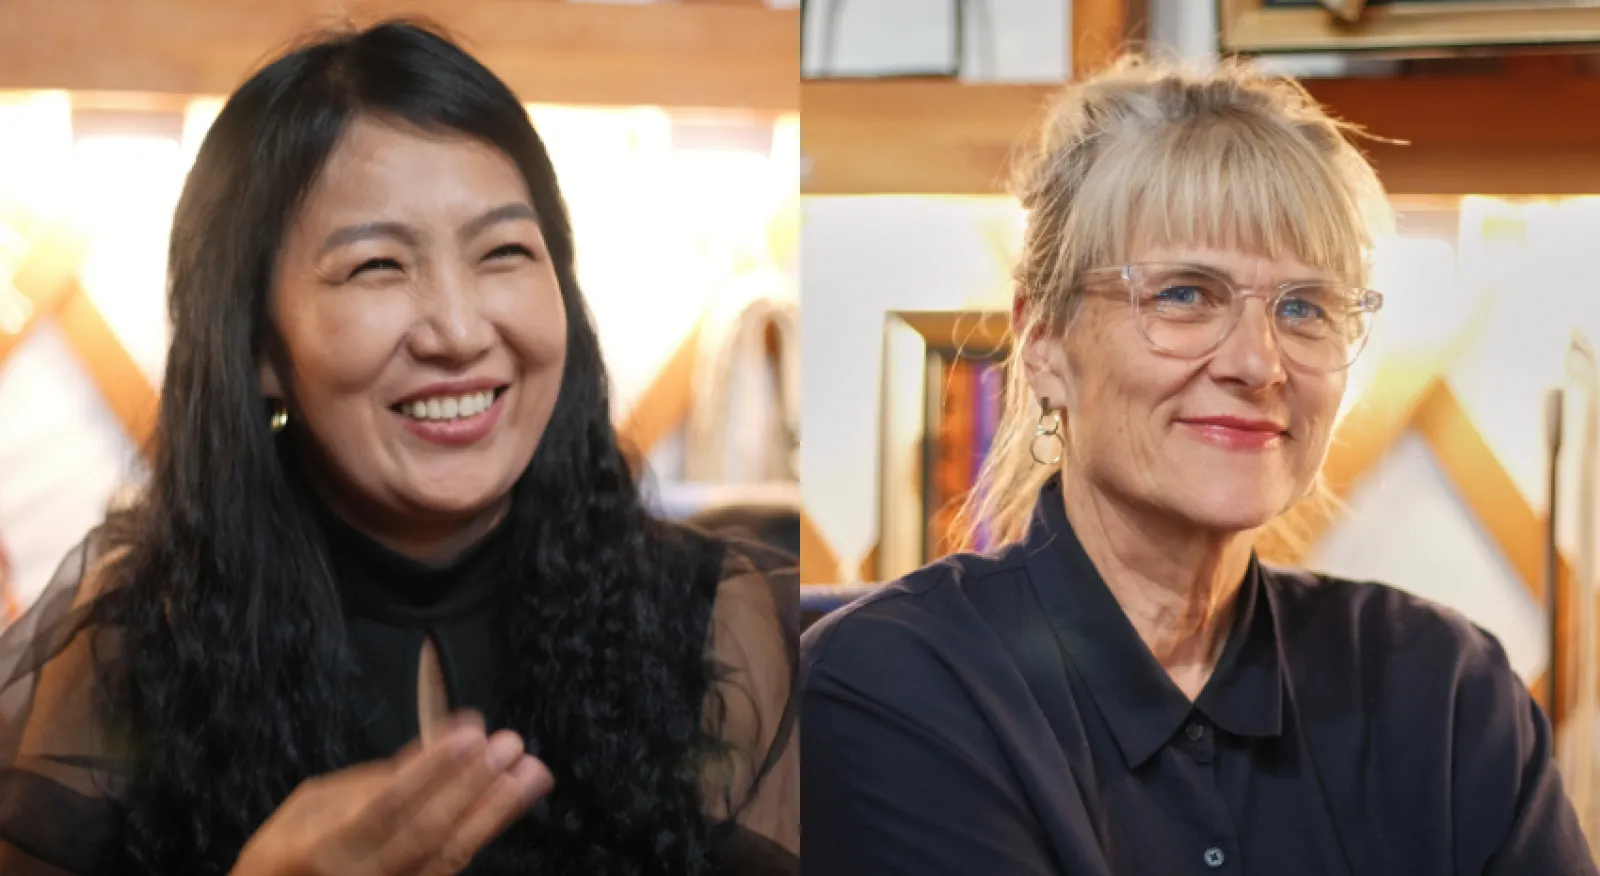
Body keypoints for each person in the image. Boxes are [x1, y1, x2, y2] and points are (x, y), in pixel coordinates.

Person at [0, 21, 796, 876]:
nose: (458, 330)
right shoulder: (130, 646)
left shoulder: (717, 624)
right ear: (259, 349)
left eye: (504, 252)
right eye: (377, 265)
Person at [800, 57, 1596, 875]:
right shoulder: (895, 685)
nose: (1259, 363)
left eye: (1304, 307)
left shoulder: (1448, 692)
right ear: (1042, 341)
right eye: (1184, 294)